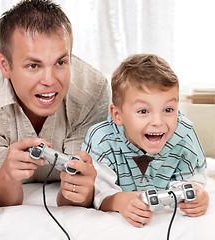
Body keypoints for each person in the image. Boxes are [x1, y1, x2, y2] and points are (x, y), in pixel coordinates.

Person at [0, 0, 110, 207]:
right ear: (5, 66)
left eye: (60, 62)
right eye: (33, 65)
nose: (49, 80)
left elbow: (78, 197)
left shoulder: (92, 91)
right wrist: (7, 176)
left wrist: (80, 189)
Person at [82, 53, 209, 227]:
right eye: (143, 111)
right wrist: (118, 201)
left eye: (169, 109)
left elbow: (195, 181)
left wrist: (198, 195)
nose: (158, 122)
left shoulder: (184, 133)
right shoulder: (102, 140)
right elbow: (98, 194)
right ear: (118, 115)